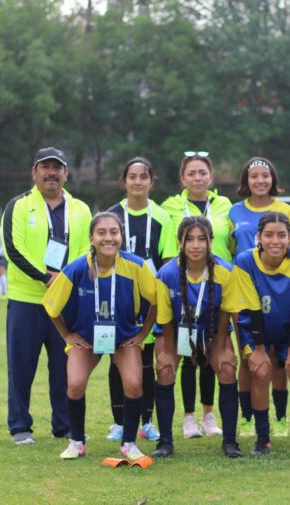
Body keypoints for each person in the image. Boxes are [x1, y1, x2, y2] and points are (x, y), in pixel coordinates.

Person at [42, 212, 157, 461]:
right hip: (85, 338)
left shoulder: (136, 265)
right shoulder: (76, 269)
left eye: (114, 232)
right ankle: (77, 441)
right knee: (74, 384)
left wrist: (143, 333)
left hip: (124, 337)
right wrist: (67, 334)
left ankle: (129, 443)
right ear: (91, 238)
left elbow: (157, 300)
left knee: (135, 383)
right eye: (102, 233)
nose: (108, 238)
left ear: (121, 236)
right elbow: (50, 305)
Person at [2, 147, 92, 445]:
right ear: (34, 172)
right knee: (21, 365)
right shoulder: (18, 205)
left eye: (57, 167)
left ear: (66, 173)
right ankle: (20, 426)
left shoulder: (80, 209)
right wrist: (45, 277)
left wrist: (65, 281)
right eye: (45, 167)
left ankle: (65, 425)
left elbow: (85, 252)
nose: (51, 172)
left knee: (64, 366)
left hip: (66, 302)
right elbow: (14, 250)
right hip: (27, 300)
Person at [151, 217, 243, 458]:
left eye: (202, 239)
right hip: (175, 331)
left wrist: (222, 347)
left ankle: (230, 441)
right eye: (189, 239)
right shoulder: (166, 273)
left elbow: (225, 314)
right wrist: (169, 353)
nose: (196, 245)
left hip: (212, 331)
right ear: (180, 242)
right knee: (164, 369)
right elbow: (165, 320)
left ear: (211, 241)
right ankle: (165, 442)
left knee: (225, 367)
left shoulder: (226, 271)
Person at [227, 212, 290, 456]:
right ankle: (263, 438)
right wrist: (257, 349)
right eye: (269, 235)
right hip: (257, 330)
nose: (275, 241)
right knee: (261, 370)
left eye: (281, 235)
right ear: (258, 237)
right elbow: (251, 308)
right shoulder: (245, 261)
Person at [105, 156, 177, 442]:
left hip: (150, 298)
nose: (137, 182)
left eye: (143, 177)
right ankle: (120, 422)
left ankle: (146, 421)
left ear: (151, 181)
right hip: (118, 295)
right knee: (117, 357)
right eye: (132, 176)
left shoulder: (162, 217)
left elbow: (168, 259)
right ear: (124, 181)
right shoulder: (112, 215)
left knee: (147, 360)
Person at [161, 152, 232, 438]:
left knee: (212, 355)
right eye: (191, 173)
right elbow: (170, 247)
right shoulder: (171, 206)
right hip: (184, 285)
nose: (197, 178)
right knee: (188, 351)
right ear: (182, 178)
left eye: (202, 172)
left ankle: (209, 415)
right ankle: (189, 417)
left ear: (211, 176)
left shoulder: (226, 205)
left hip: (216, 285)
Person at [228, 157, 290, 439]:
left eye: (265, 176)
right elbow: (232, 247)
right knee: (249, 358)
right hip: (246, 289)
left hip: (278, 290)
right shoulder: (234, 211)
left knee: (277, 360)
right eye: (254, 176)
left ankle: (281, 418)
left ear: (273, 180)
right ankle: (247, 419)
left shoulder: (285, 210)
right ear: (246, 180)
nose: (260, 181)